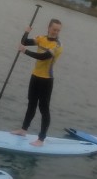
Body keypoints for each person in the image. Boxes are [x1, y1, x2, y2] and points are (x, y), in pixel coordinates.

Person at [11, 18, 62, 146]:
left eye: (58, 30)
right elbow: (24, 41)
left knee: (43, 108)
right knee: (31, 103)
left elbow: (43, 57)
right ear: (49, 28)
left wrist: (25, 51)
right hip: (35, 76)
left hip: (46, 80)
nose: (56, 32)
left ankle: (41, 139)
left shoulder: (57, 46)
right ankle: (23, 130)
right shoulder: (41, 38)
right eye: (54, 29)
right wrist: (26, 32)